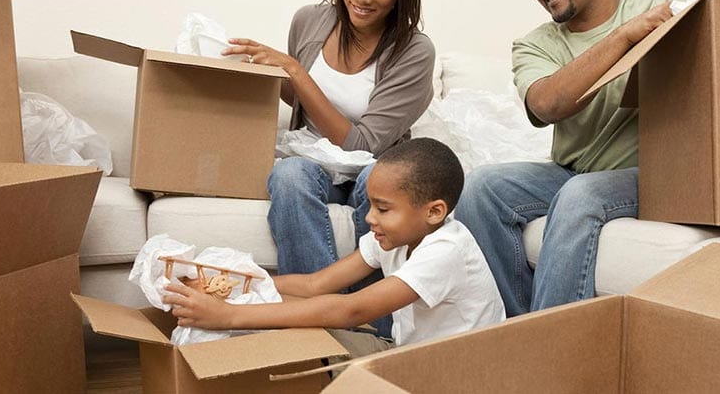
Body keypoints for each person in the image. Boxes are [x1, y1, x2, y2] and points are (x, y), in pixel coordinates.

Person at [454, 0, 685, 317]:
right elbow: (546, 105)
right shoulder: (534, 45)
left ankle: (545, 354)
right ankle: (522, 329)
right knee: (480, 187)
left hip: (647, 172)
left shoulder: (656, 3)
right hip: (571, 169)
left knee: (580, 196)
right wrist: (624, 36)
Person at [220, 0, 435, 335]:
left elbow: (363, 143)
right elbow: (300, 101)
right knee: (288, 174)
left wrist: (295, 72)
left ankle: (374, 327)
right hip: (311, 159)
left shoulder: (415, 51)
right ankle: (317, 329)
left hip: (375, 165)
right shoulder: (310, 21)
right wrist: (256, 75)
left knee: (379, 182)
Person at [162, 138, 505, 356]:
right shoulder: (395, 236)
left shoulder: (447, 251)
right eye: (370, 205)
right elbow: (315, 285)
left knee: (293, 345)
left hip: (451, 377)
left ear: (434, 212)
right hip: (406, 353)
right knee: (284, 333)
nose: (370, 218)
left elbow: (352, 310)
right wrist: (233, 285)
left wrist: (230, 316)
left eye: (383, 209)